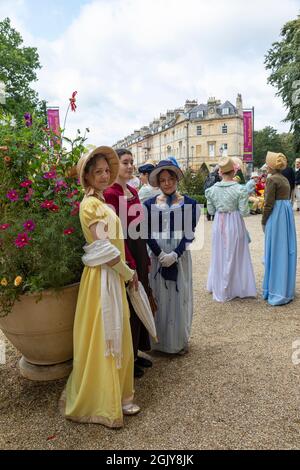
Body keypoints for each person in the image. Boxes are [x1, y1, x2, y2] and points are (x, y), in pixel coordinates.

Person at [60, 146, 140, 428]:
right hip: (102, 277)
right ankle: (103, 404)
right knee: (106, 337)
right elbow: (104, 249)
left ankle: (120, 396)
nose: (105, 175)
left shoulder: (103, 203)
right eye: (99, 172)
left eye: (108, 170)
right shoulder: (90, 205)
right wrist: (127, 272)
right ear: (88, 177)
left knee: (119, 334)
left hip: (112, 275)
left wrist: (124, 271)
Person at [104, 148, 153, 378]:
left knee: (141, 299)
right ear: (115, 165)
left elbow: (139, 225)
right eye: (125, 162)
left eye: (132, 162)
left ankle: (136, 351)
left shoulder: (133, 190)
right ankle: (127, 359)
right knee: (128, 306)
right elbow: (117, 233)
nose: (130, 166)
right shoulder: (111, 194)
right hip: (125, 250)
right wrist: (130, 261)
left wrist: (145, 258)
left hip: (139, 247)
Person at [143, 160, 199, 354]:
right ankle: (158, 341)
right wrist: (160, 254)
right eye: (163, 180)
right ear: (158, 182)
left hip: (179, 255)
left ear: (176, 179)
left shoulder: (190, 203)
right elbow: (146, 232)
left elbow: (189, 233)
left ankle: (176, 342)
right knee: (158, 295)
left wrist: (175, 254)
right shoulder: (148, 204)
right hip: (156, 255)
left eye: (170, 179)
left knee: (178, 295)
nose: (167, 183)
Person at [205, 157, 256, 302]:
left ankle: (220, 285)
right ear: (234, 172)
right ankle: (237, 286)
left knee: (219, 253)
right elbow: (245, 212)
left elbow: (211, 210)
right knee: (237, 253)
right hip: (234, 222)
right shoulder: (240, 189)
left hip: (219, 223)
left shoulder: (211, 190)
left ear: (220, 172)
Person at [262, 151, 297, 306]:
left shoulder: (272, 180)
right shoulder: (284, 179)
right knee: (284, 249)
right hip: (285, 215)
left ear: (270, 165)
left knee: (275, 249)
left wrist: (263, 220)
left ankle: (275, 289)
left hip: (276, 215)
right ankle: (284, 288)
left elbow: (268, 203)